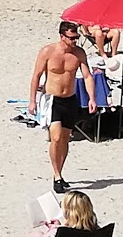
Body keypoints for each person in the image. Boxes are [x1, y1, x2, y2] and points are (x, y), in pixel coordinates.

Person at [30, 21, 95, 194]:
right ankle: (56, 175)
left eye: (77, 37)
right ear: (62, 36)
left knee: (65, 138)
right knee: (56, 138)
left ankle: (60, 172)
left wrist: (92, 98)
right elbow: (36, 76)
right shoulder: (47, 52)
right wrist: (32, 101)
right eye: (72, 38)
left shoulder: (79, 53)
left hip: (70, 100)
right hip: (53, 100)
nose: (75, 41)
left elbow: (87, 76)